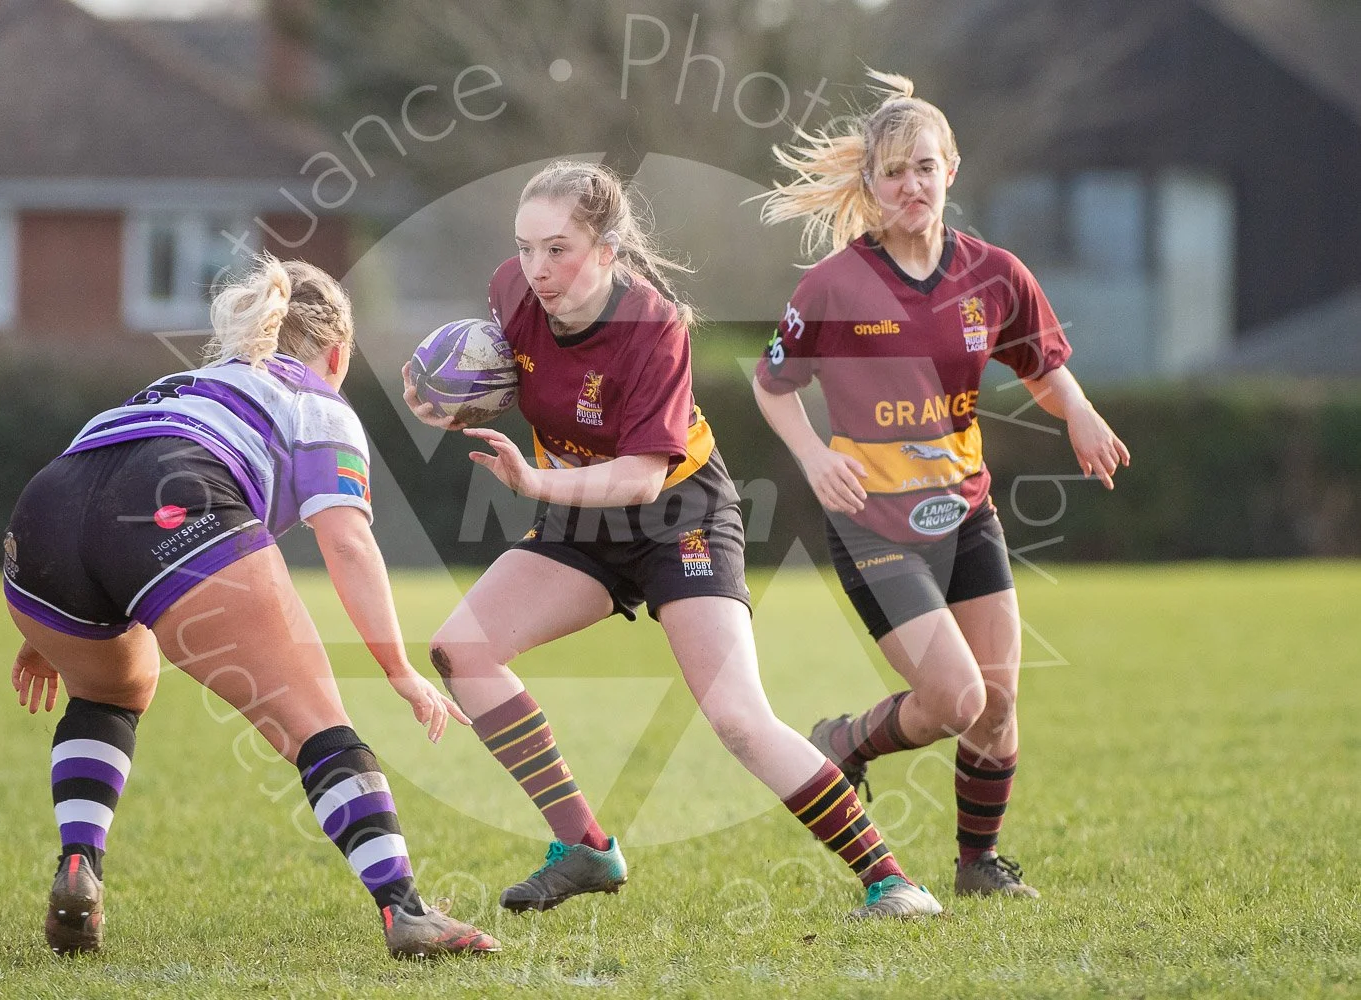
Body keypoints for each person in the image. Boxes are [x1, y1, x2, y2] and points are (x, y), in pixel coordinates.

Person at [402, 160, 942, 921]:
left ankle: (892, 881)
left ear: (607, 250)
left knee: (737, 719)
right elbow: (505, 371)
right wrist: (444, 397)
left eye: (558, 249)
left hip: (677, 517)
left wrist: (534, 484)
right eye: (525, 248)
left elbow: (639, 481)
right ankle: (585, 846)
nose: (537, 269)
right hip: (578, 517)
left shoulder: (652, 326)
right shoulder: (512, 291)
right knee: (463, 649)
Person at [2, 256, 500, 959]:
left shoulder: (182, 381)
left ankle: (79, 861)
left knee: (111, 689)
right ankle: (405, 909)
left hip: (45, 515)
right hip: (171, 497)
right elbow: (347, 541)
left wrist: (44, 631)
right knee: (316, 724)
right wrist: (397, 668)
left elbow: (91, 489)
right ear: (338, 352)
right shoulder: (318, 402)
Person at [751, 70, 1131, 898]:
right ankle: (846, 739)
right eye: (893, 172)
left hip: (966, 513)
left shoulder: (994, 274)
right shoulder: (835, 286)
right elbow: (771, 384)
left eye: (924, 167)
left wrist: (1080, 413)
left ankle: (978, 866)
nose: (911, 185)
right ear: (871, 185)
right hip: (873, 527)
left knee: (997, 702)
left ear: (951, 170)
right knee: (955, 698)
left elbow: (1041, 365)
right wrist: (815, 457)